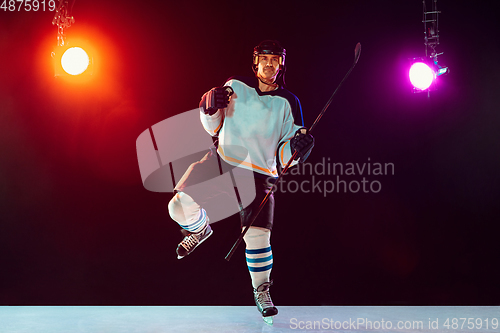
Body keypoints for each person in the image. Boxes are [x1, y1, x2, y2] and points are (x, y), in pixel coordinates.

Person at [167, 40, 314, 322]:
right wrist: (207, 108)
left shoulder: (289, 103)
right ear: (255, 62)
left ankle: (261, 290)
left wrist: (297, 148)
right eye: (264, 59)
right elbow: (215, 125)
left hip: (260, 174)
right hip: (223, 160)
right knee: (178, 206)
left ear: (281, 65)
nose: (269, 64)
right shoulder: (236, 84)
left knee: (257, 237)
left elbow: (285, 156)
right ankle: (199, 230)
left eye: (274, 60)